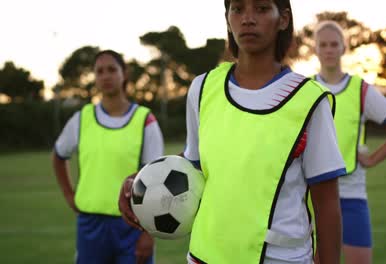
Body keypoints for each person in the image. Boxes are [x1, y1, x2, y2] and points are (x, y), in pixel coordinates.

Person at [120, 1, 345, 263]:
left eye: (261, 8)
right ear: (227, 19)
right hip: (204, 256)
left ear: (283, 19)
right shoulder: (203, 88)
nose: (247, 19)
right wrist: (140, 180)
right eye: (238, 9)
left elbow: (327, 204)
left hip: (281, 258)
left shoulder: (308, 101)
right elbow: (195, 161)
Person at [312, 20, 386, 264]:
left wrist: (371, 159)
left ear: (343, 48)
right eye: (323, 44)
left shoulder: (359, 89)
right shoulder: (306, 88)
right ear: (315, 49)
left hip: (351, 194)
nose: (328, 49)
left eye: (334, 44)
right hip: (311, 196)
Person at [52, 49, 164, 264]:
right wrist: (69, 194)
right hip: (90, 225)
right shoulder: (82, 118)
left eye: (112, 69)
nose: (106, 76)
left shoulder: (144, 119)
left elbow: (156, 181)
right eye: (100, 71)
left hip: (132, 226)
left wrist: (149, 234)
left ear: (124, 74)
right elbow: (58, 156)